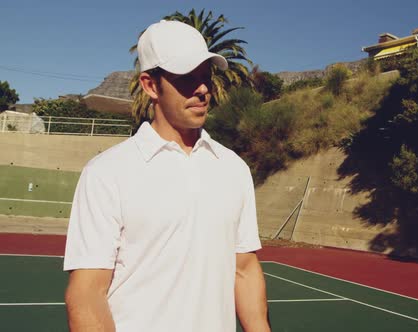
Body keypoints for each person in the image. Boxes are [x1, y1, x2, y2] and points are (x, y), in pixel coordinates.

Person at [63, 20, 270, 332]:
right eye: (186, 79)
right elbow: (87, 293)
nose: (202, 90)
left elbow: (244, 269)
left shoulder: (234, 168)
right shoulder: (107, 172)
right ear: (150, 85)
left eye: (205, 79)